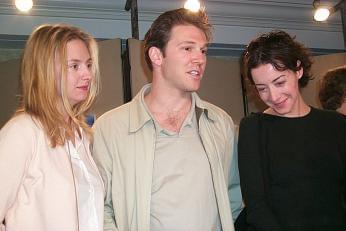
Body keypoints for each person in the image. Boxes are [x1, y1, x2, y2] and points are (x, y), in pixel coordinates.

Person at [92, 8, 242, 231]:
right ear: (156, 56)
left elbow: (233, 198)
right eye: (187, 48)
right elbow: (100, 208)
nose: (199, 59)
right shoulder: (109, 128)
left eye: (203, 51)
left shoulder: (220, 123)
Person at [238, 30, 346, 231]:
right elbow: (257, 207)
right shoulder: (253, 129)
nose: (273, 95)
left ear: (298, 69)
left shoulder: (337, 125)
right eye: (262, 88)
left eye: (279, 82)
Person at [0, 24, 104, 231]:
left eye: (88, 65)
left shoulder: (81, 135)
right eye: (74, 66)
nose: (88, 75)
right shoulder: (22, 131)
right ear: (45, 70)